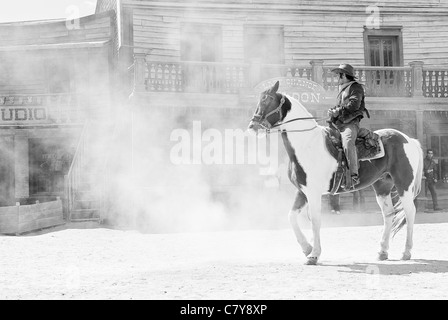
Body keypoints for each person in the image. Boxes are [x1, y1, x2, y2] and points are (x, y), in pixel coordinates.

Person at [328, 64, 367, 189]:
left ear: (344, 75)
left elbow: (354, 105)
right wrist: (333, 112)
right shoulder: (343, 89)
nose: (337, 78)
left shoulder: (356, 87)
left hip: (350, 124)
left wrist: (338, 111)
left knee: (348, 141)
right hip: (339, 124)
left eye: (339, 75)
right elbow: (341, 107)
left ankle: (353, 175)